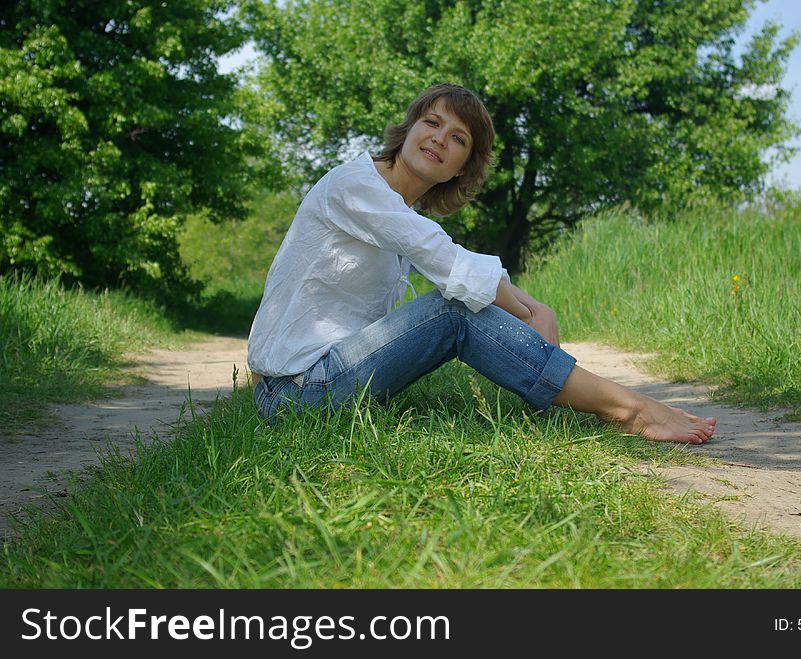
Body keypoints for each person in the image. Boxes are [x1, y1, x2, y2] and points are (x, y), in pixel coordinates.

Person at [247, 84, 716, 444]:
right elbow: (444, 257)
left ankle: (596, 398)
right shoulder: (355, 185)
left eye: (457, 139)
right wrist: (530, 313)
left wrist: (532, 305)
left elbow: (449, 259)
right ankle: (625, 407)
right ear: (408, 130)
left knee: (455, 303)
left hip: (316, 382)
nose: (438, 139)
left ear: (460, 169)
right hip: (297, 392)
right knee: (452, 312)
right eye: (430, 123)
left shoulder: (395, 210)